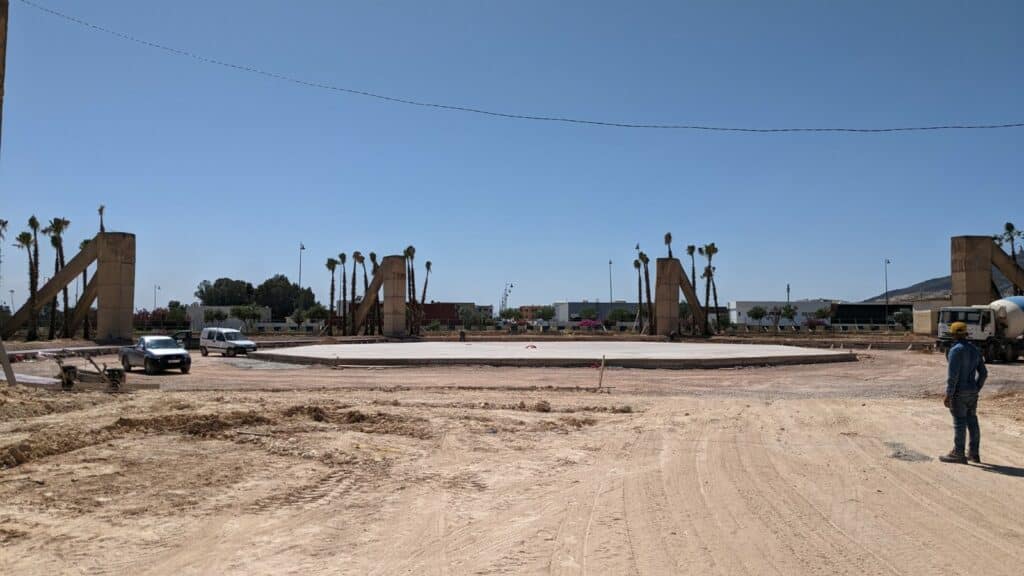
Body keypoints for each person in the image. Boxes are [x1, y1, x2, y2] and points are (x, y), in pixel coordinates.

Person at [939, 321, 988, 464]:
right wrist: (976, 388)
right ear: (966, 333)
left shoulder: (955, 350)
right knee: (972, 421)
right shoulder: (974, 349)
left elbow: (953, 376)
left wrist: (948, 394)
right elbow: (984, 373)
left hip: (959, 393)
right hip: (972, 392)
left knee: (960, 422)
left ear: (953, 335)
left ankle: (958, 453)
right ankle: (974, 453)